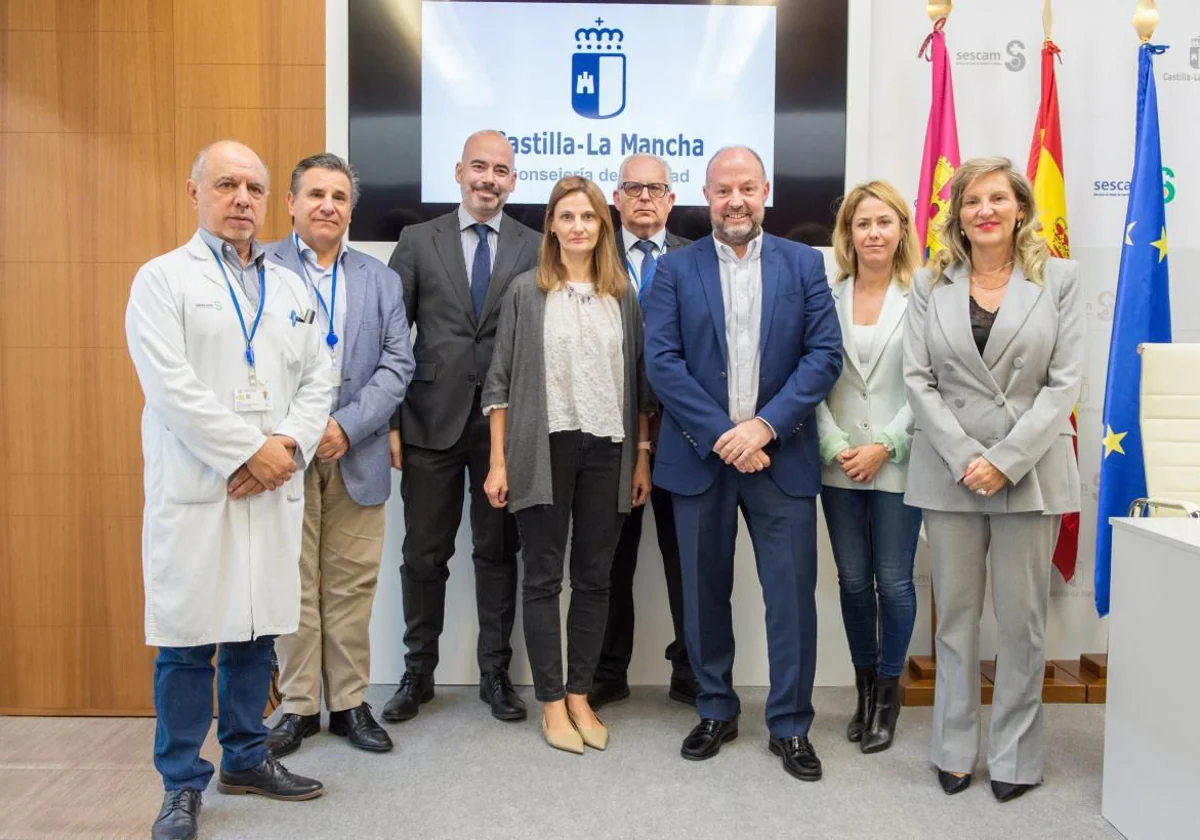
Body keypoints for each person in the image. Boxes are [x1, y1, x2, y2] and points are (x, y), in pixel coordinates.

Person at [125, 141, 331, 840]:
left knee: (256, 632)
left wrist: (290, 447)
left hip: (269, 485)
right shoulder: (161, 281)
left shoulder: (292, 287)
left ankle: (245, 758)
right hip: (201, 485)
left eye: (253, 187)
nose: (241, 198)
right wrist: (250, 451)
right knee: (188, 642)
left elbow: (319, 378)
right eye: (226, 184)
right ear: (194, 193)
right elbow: (170, 387)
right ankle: (181, 785)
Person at [643, 146, 842, 782]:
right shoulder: (676, 269)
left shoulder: (804, 263)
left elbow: (823, 356)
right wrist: (722, 433)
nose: (736, 200)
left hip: (778, 456)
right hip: (701, 458)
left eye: (747, 188)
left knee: (790, 598)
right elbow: (663, 362)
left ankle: (790, 724)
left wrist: (762, 426)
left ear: (765, 192)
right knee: (702, 596)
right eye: (724, 189)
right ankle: (715, 708)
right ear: (706, 194)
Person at [903, 156, 1082, 802]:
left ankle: (1014, 755)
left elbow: (1065, 383)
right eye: (972, 200)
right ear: (957, 213)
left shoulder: (1059, 279)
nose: (984, 211)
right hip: (950, 471)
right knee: (953, 617)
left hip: (1028, 471)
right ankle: (952, 749)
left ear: (1020, 209)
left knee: (1021, 624)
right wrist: (963, 456)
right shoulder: (932, 282)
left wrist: (1003, 458)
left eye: (997, 199)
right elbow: (918, 378)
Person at [482, 176, 654, 754]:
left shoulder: (621, 294)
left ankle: (581, 693)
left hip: (609, 448)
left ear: (602, 226)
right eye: (567, 216)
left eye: (588, 217)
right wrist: (498, 462)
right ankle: (552, 701)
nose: (578, 226)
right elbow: (499, 383)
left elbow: (637, 387)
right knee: (541, 577)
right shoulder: (525, 292)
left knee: (595, 578)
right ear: (551, 224)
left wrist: (641, 459)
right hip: (542, 450)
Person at [382, 130, 539, 724]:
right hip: (429, 423)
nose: (489, 179)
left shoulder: (533, 243)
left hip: (506, 426)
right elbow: (393, 339)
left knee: (498, 553)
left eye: (501, 170)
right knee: (423, 554)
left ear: (513, 180)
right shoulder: (418, 241)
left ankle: (495, 675)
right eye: (480, 166)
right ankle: (417, 674)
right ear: (458, 171)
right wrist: (392, 425)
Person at [264, 153, 414, 757]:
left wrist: (347, 427)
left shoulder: (379, 279)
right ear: (293, 204)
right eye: (316, 194)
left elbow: (397, 363)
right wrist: (300, 432)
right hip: (283, 456)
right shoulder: (257, 268)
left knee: (352, 585)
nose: (328, 206)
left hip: (358, 450)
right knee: (293, 584)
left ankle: (350, 702)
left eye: (340, 197)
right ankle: (299, 705)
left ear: (352, 210)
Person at [817, 180, 922, 754]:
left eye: (884, 222)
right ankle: (862, 692)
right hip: (837, 465)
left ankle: (888, 694)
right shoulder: (824, 294)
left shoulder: (924, 293)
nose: (873, 232)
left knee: (896, 582)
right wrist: (832, 445)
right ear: (848, 234)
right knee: (854, 582)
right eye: (863, 223)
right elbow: (808, 378)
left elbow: (931, 383)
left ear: (901, 229)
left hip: (899, 461)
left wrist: (886, 443)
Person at [590, 153, 698, 711]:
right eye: (633, 188)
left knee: (687, 556)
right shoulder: (591, 254)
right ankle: (609, 671)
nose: (645, 198)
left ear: (672, 199)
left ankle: (690, 667)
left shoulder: (695, 257)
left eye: (656, 189)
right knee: (612, 556)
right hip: (610, 429)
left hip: (681, 429)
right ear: (617, 197)